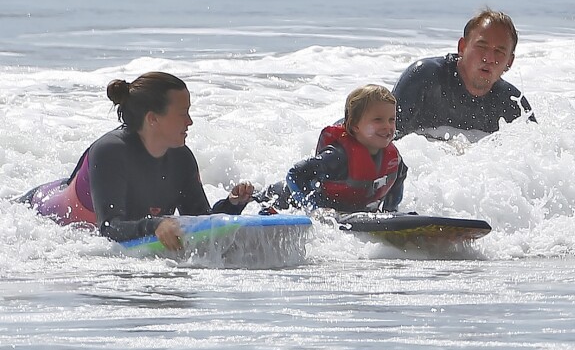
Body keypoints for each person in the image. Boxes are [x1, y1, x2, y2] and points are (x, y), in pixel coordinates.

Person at [18, 72, 254, 250]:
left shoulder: (181, 158)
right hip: (37, 211)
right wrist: (155, 226)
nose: (189, 121)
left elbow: (199, 218)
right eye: (183, 113)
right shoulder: (110, 152)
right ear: (153, 119)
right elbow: (109, 228)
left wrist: (232, 205)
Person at [392, 8, 535, 141]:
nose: (489, 58)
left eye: (499, 51)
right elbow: (384, 140)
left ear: (509, 62)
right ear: (462, 47)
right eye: (482, 46)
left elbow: (540, 159)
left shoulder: (512, 103)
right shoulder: (424, 78)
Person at [261, 84, 407, 214]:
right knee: (256, 197)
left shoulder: (394, 160)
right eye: (378, 120)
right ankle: (247, 194)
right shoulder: (337, 156)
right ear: (355, 125)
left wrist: (391, 213)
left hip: (347, 210)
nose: (387, 126)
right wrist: (313, 210)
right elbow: (295, 174)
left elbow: (399, 178)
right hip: (283, 200)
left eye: (391, 119)